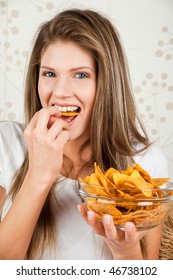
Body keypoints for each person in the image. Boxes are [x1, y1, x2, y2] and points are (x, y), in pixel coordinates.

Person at [0, 8, 168, 260]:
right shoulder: (7, 143)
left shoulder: (145, 162)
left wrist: (126, 251)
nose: (60, 92)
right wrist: (38, 176)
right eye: (49, 73)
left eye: (80, 75)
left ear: (107, 84)